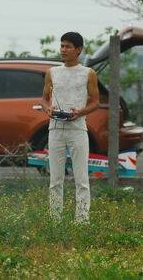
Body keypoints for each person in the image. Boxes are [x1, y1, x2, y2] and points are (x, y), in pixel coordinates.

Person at [41, 32, 99, 223]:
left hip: (78, 129)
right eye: (62, 46)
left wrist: (81, 112)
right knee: (55, 180)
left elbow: (95, 102)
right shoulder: (52, 72)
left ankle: (82, 221)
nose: (63, 50)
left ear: (78, 50)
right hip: (55, 129)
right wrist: (48, 109)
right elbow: (44, 99)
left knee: (81, 179)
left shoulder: (88, 73)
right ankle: (55, 220)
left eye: (68, 46)